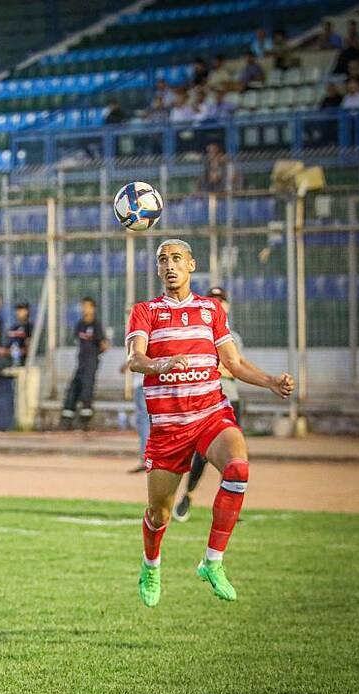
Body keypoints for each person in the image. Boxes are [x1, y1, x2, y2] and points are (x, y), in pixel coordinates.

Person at [126, 239, 294, 607]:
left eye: (176, 259)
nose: (169, 265)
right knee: (158, 514)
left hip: (210, 414)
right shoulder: (146, 311)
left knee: (237, 469)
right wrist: (159, 365)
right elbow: (135, 358)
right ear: (157, 270)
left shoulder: (211, 310)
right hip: (169, 428)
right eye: (163, 260)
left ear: (191, 265)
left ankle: (212, 562)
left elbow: (233, 363)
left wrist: (270, 382)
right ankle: (151, 565)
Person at [173, 286, 244, 522]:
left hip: (230, 400)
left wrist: (212, 368)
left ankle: (229, 508)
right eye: (212, 300)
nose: (217, 304)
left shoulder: (232, 336)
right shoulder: (196, 333)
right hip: (203, 402)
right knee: (201, 456)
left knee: (234, 457)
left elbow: (236, 368)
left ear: (227, 306)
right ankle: (189, 495)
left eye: (221, 301)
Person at [60, 297, 108, 431]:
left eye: (87, 306)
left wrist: (96, 352)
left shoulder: (96, 325)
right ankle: (67, 419)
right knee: (73, 389)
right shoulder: (80, 324)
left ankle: (85, 421)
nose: (84, 309)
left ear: (93, 308)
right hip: (81, 362)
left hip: (91, 362)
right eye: (83, 306)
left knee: (87, 391)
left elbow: (104, 344)